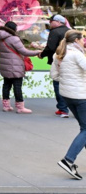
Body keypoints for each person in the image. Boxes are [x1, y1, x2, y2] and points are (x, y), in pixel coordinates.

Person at [51, 30, 86, 180]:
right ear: (77, 40)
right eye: (83, 38)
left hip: (67, 96)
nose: (84, 40)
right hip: (81, 96)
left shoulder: (59, 54)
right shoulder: (77, 55)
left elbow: (55, 76)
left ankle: (69, 159)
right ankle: (68, 160)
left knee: (84, 128)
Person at [0, 20, 41, 113]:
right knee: (17, 86)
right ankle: (20, 107)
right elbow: (24, 52)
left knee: (6, 85)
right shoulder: (14, 38)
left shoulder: (0, 37)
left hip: (5, 65)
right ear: (14, 29)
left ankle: (6, 106)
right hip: (15, 65)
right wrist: (38, 52)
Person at [40, 14, 71, 118]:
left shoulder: (55, 32)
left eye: (51, 21)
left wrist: (42, 54)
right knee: (72, 84)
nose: (49, 23)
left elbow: (50, 47)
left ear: (58, 21)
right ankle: (76, 109)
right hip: (72, 62)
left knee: (58, 84)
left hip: (59, 61)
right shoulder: (70, 31)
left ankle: (63, 109)